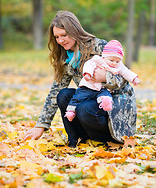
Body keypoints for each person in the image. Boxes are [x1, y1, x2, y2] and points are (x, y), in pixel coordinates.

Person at [24, 10, 137, 147]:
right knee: (63, 95)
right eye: (57, 37)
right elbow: (55, 91)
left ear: (74, 31)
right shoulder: (65, 56)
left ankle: (107, 140)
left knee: (84, 108)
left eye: (64, 35)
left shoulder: (99, 46)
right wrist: (41, 125)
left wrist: (106, 77)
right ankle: (77, 139)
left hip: (113, 104)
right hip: (91, 98)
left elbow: (124, 78)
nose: (60, 41)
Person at [65, 39, 140, 121]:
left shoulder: (119, 65)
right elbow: (89, 64)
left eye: (117, 61)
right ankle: (71, 111)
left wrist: (134, 78)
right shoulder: (98, 60)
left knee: (105, 94)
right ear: (104, 57)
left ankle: (105, 103)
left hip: (102, 88)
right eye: (111, 60)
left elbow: (126, 72)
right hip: (88, 87)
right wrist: (88, 74)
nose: (114, 63)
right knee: (79, 96)